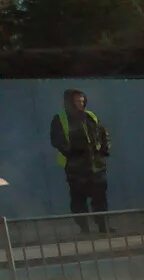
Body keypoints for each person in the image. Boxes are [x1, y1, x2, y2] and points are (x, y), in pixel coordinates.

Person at [49, 89, 110, 234]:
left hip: (96, 165)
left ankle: (103, 226)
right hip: (75, 167)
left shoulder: (91, 116)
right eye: (77, 101)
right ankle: (84, 228)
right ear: (69, 102)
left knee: (100, 197)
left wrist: (104, 150)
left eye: (83, 101)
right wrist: (72, 153)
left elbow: (103, 133)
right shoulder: (60, 118)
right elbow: (56, 140)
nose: (81, 104)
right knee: (78, 199)